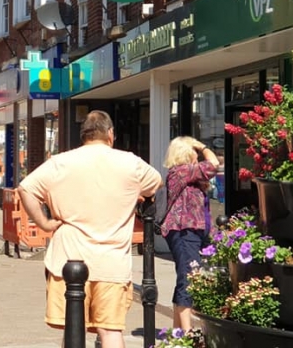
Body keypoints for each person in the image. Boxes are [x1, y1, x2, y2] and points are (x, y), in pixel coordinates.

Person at [17, 110, 162, 348]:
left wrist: (44, 223)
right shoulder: (130, 163)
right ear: (110, 134)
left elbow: (26, 189)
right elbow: (155, 183)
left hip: (69, 258)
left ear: (83, 135)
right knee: (111, 330)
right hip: (112, 260)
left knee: (74, 328)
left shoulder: (60, 162)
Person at [159, 136, 219, 332]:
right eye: (193, 150)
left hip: (190, 232)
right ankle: (188, 333)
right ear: (186, 153)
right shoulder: (181, 171)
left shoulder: (187, 175)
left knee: (186, 277)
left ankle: (178, 332)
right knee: (189, 279)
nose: (197, 153)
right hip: (183, 231)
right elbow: (214, 164)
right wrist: (202, 145)